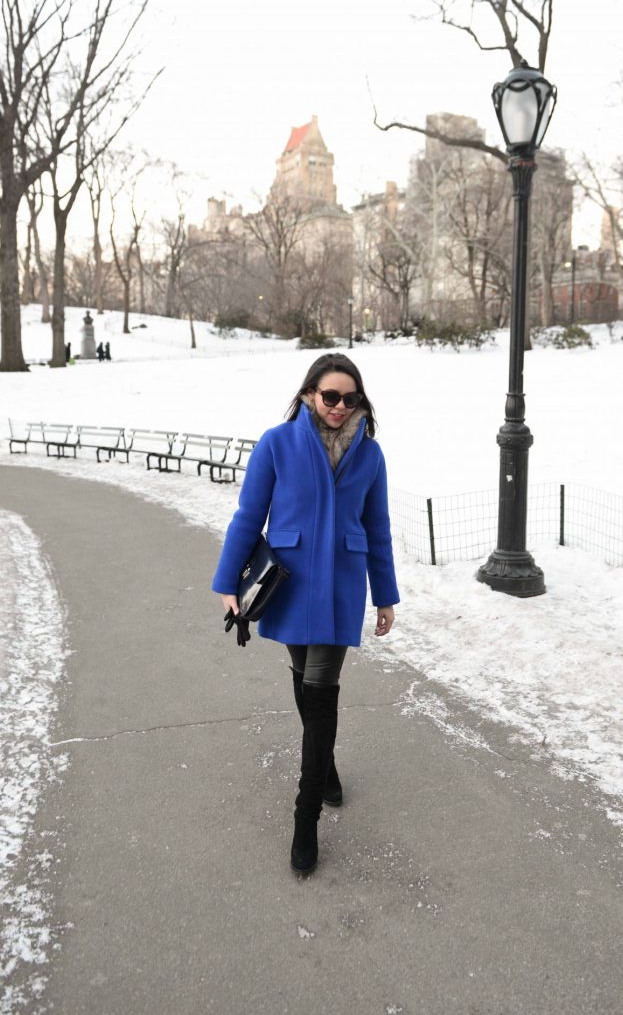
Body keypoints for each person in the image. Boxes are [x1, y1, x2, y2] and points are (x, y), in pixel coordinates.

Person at [211, 353, 399, 874]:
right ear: (310, 394)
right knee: (301, 677)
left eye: (349, 398)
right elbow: (249, 514)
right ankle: (329, 764)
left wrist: (385, 595)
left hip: (341, 585)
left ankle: (305, 815)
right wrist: (228, 582)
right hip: (289, 583)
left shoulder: (370, 454)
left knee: (320, 692)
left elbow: (378, 527)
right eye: (330, 396)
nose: (339, 407)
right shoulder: (278, 442)